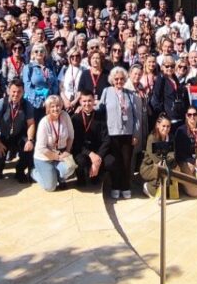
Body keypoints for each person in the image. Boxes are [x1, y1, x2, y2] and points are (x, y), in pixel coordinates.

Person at [99, 67, 142, 199]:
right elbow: (100, 110)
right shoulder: (107, 91)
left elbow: (136, 116)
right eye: (116, 79)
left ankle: (125, 187)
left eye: (122, 79)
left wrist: (135, 134)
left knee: (126, 162)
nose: (119, 81)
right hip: (112, 133)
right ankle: (115, 186)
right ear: (112, 80)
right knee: (115, 162)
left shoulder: (130, 94)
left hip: (127, 133)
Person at [0, 80, 35, 182]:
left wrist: (30, 140)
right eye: (13, 91)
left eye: (19, 92)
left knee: (29, 148)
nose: (16, 94)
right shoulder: (0, 104)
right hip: (3, 136)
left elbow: (31, 124)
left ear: (23, 92)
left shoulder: (27, 105)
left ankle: (20, 171)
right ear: (8, 91)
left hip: (18, 134)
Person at [71, 90, 113, 190]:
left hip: (97, 150)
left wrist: (98, 158)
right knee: (80, 160)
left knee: (110, 161)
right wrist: (90, 154)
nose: (87, 104)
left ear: (94, 101)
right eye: (84, 101)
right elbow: (76, 142)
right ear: (80, 101)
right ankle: (81, 178)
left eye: (90, 100)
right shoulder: (75, 118)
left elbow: (106, 139)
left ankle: (96, 176)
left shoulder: (100, 116)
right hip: (82, 151)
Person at [32, 95, 75, 191]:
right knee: (50, 187)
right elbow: (41, 148)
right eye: (52, 106)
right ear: (48, 108)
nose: (56, 109)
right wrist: (58, 157)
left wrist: (67, 151)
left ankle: (60, 178)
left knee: (70, 167)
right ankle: (34, 173)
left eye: (58, 105)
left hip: (61, 153)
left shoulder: (65, 116)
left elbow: (71, 136)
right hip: (44, 158)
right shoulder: (44, 123)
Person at [140, 114, 178, 198]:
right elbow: (155, 157)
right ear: (158, 125)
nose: (166, 129)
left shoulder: (171, 138)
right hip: (149, 166)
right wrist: (165, 161)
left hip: (166, 164)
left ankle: (164, 186)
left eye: (168, 126)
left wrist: (167, 161)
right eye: (163, 126)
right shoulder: (152, 138)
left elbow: (172, 154)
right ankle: (148, 186)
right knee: (161, 171)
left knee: (174, 170)